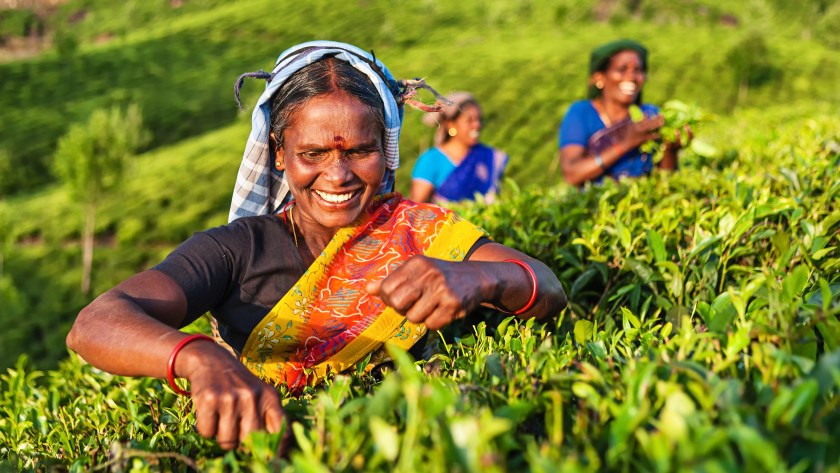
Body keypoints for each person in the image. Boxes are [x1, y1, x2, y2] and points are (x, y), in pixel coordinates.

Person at [66, 41, 566, 450]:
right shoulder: (237, 250)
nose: (338, 174)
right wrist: (198, 358)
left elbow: (547, 287)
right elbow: (96, 323)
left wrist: (477, 276)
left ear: (386, 151)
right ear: (280, 155)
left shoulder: (418, 230)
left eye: (361, 152)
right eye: (313, 153)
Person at [557, 39, 692, 187]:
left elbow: (666, 181)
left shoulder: (651, 114)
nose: (632, 77)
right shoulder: (581, 113)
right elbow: (572, 174)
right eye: (622, 69)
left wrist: (671, 150)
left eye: (638, 70)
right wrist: (626, 143)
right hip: (595, 206)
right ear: (599, 78)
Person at [410, 92, 508, 204]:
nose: (477, 125)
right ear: (450, 124)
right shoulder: (431, 160)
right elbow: (417, 206)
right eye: (469, 120)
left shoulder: (488, 157)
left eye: (479, 119)